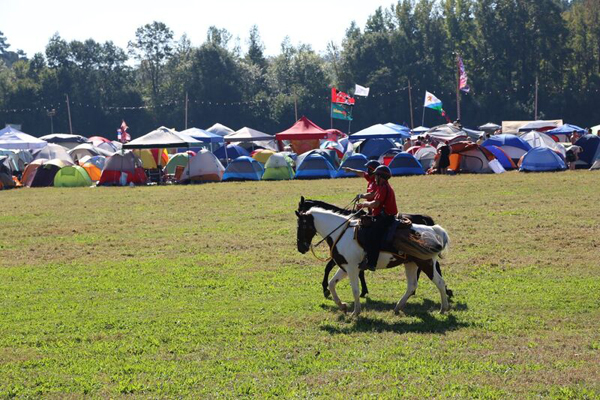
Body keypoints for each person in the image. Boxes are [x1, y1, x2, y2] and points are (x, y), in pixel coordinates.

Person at [356, 165, 398, 271]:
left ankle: (371, 263)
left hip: (385, 218)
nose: (374, 178)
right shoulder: (382, 186)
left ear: (381, 177)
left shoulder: (384, 188)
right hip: (382, 216)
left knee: (373, 236)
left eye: (376, 176)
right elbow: (373, 198)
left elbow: (375, 204)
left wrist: (364, 204)